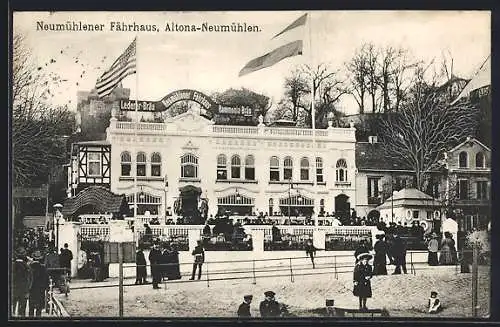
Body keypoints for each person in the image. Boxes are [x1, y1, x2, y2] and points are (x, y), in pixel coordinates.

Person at [12, 247, 33, 317]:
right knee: (22, 311)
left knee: (12, 309)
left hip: (13, 290)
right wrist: (28, 289)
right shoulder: (27, 266)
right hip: (24, 291)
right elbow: (30, 279)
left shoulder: (11, 265)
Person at [28, 250, 50, 317]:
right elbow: (46, 280)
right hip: (40, 291)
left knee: (31, 309)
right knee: (38, 309)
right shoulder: (43, 268)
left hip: (31, 290)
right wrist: (46, 287)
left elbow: (28, 279)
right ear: (40, 259)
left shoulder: (29, 267)